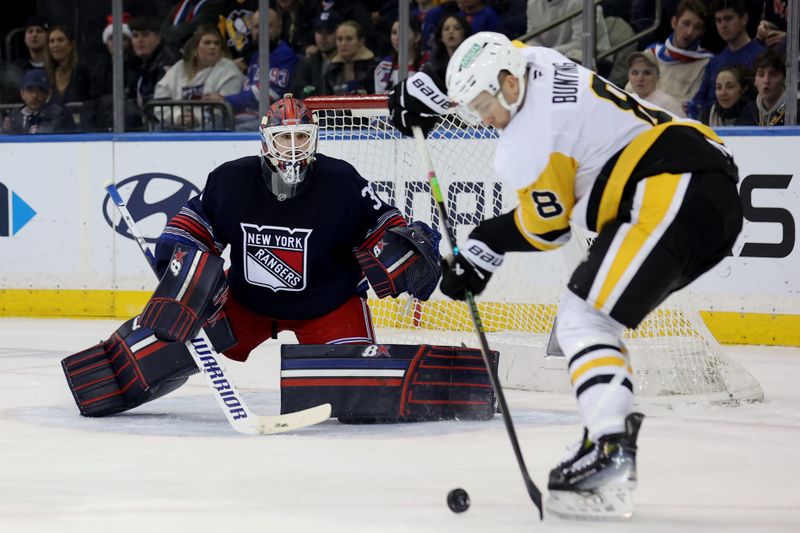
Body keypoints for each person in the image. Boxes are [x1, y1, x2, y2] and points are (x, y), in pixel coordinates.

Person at [387, 31, 742, 520]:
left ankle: (612, 447)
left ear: (510, 85)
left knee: (582, 318)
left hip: (674, 188)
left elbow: (546, 228)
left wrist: (482, 245)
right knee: (594, 320)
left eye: (485, 104)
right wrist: (427, 93)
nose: (482, 118)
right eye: (474, 106)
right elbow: (491, 56)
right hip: (704, 192)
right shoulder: (535, 60)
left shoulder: (531, 139)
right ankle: (606, 437)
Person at [154, 94, 440, 361]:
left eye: (301, 136)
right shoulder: (232, 179)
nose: (293, 147)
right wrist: (183, 277)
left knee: (355, 385)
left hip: (329, 305)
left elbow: (381, 226)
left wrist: (408, 252)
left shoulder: (342, 181)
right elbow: (190, 232)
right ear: (266, 142)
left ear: (314, 139)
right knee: (160, 341)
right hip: (245, 303)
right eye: (283, 137)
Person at [205, 9, 299, 130]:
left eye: (268, 26)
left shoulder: (284, 55)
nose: (261, 31)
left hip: (274, 120)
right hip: (248, 116)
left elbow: (266, 95)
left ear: (279, 28)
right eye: (256, 27)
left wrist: (225, 100)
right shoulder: (256, 56)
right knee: (210, 125)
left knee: (233, 130)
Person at [154, 25, 244, 129]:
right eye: (207, 43)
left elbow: (226, 108)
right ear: (195, 48)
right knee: (157, 128)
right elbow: (160, 100)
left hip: (211, 126)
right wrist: (178, 116)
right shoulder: (179, 68)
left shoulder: (229, 71)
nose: (213, 47)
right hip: (176, 124)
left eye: (217, 43)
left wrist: (197, 118)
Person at [687, 0, 764, 119]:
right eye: (719, 20)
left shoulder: (760, 56)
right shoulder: (714, 62)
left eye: (728, 18)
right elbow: (700, 100)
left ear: (744, 19)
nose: (723, 25)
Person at [639, 0, 713, 106]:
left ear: (702, 32)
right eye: (686, 23)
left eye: (697, 27)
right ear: (674, 23)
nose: (689, 32)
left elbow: (693, 104)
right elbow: (631, 89)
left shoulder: (706, 64)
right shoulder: (652, 53)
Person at [526, 0, 611, 65]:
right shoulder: (532, 3)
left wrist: (547, 53)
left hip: (595, 59)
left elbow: (581, 44)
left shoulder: (581, 2)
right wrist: (540, 53)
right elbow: (532, 38)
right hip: (550, 60)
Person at [3, 68, 76, 134]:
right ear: (22, 94)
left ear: (48, 94)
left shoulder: (60, 115)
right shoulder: (14, 117)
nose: (35, 95)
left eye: (40, 90)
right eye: (30, 90)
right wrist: (6, 130)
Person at [736, 50, 796, 126]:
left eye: (773, 74)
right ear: (755, 81)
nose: (766, 80)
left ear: (784, 79)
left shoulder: (796, 110)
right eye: (761, 75)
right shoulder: (748, 112)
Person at [373, 18, 430, 94]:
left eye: (403, 33)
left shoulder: (430, 64)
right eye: (394, 33)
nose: (397, 38)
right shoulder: (384, 66)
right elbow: (379, 101)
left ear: (417, 37)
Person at [291, 11, 341, 97]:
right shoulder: (304, 65)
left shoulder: (347, 65)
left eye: (329, 31)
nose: (323, 37)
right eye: (319, 31)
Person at [322, 20, 379, 95]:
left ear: (361, 41)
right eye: (339, 39)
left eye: (349, 39)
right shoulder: (330, 68)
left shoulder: (375, 66)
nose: (343, 44)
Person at [626, 52, 685, 117]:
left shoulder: (669, 105)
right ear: (628, 76)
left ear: (657, 78)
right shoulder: (624, 101)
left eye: (647, 73)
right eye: (635, 73)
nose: (640, 79)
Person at [46, 25, 92, 106]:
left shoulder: (82, 71)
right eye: (52, 41)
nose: (55, 45)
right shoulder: (47, 74)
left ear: (71, 45)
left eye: (60, 40)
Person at [427, 13, 471, 81]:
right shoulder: (433, 67)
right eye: (446, 29)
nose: (451, 32)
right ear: (441, 37)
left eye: (456, 28)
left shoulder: (474, 62)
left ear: (465, 33)